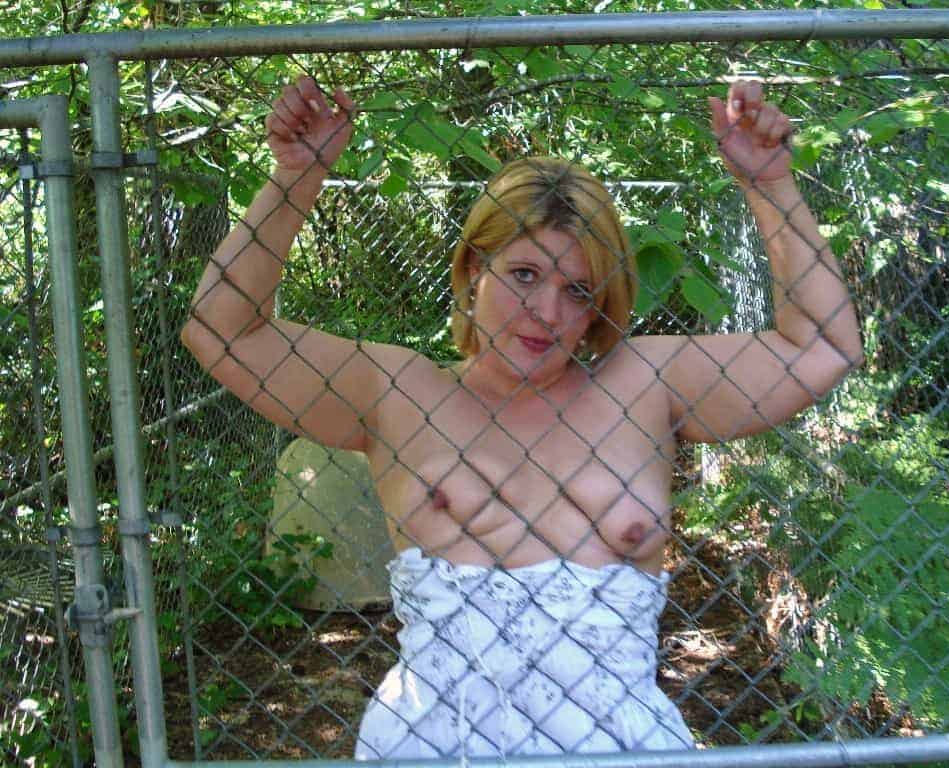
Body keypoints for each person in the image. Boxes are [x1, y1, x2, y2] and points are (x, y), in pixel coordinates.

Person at [181, 75, 863, 760]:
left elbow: (823, 348)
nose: (547, 313)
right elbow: (222, 330)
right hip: (436, 746)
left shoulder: (646, 384)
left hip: (618, 747)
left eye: (578, 290)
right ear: (474, 269)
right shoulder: (397, 392)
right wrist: (296, 177)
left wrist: (771, 184)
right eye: (525, 275)